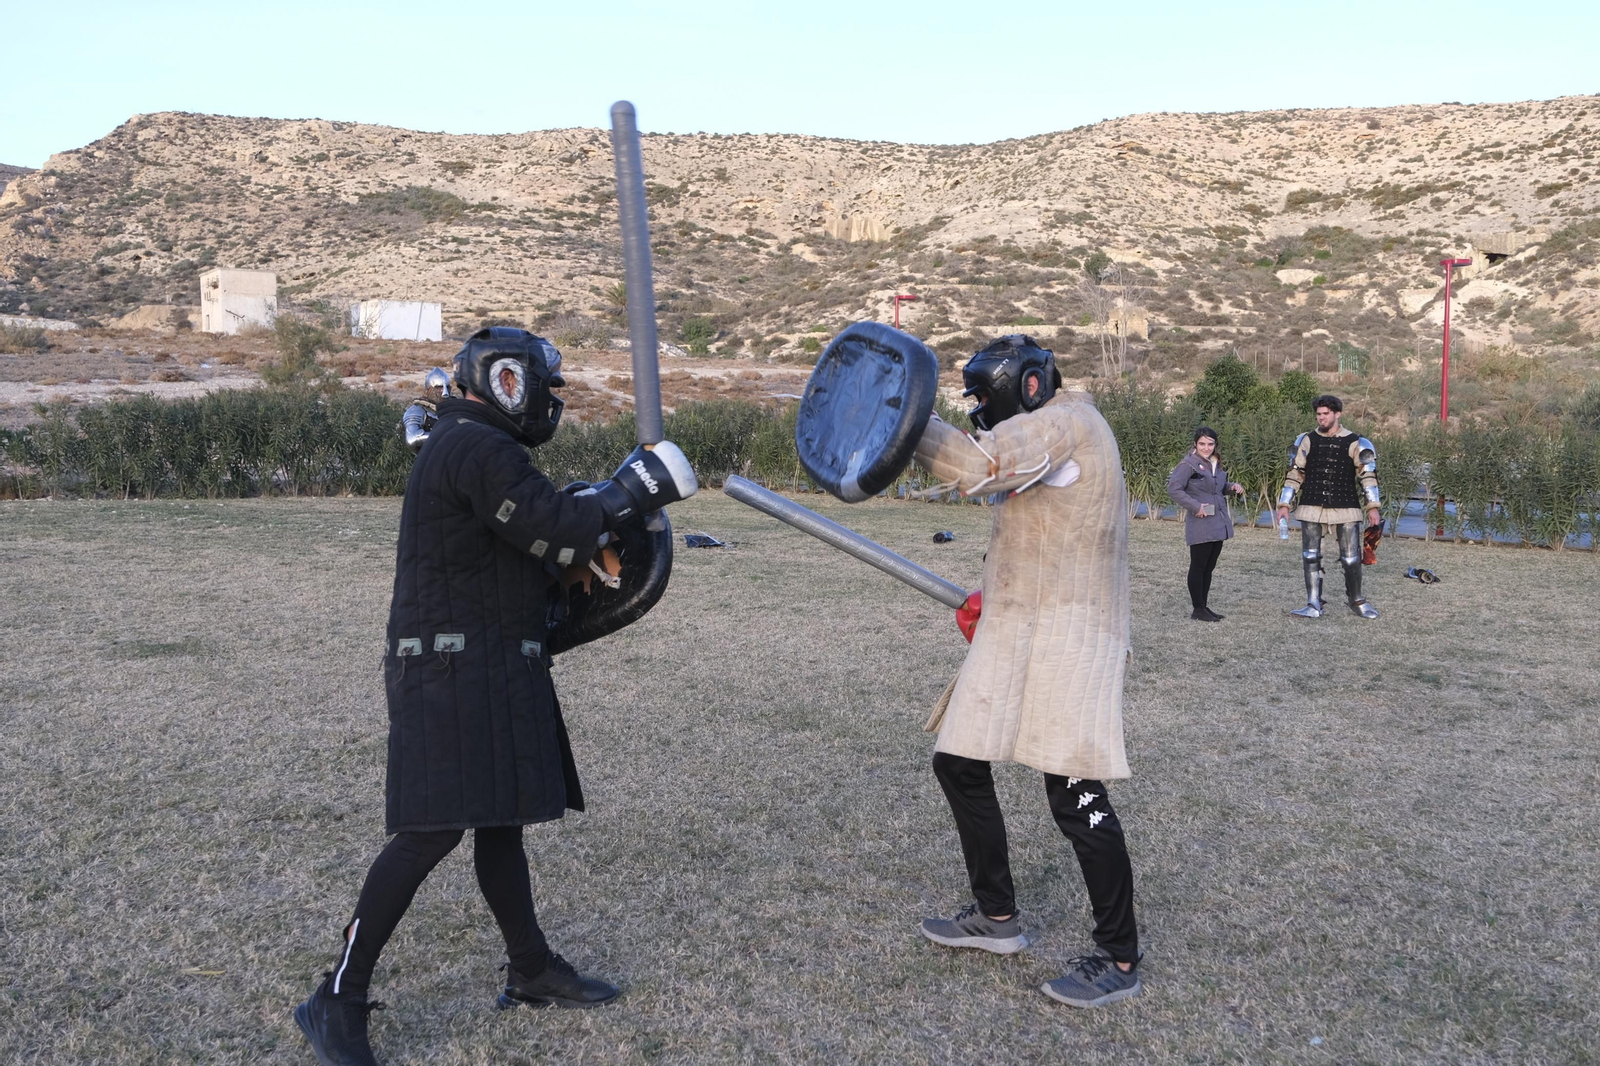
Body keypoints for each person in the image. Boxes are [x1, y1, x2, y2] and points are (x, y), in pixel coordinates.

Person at [294, 328, 698, 1066]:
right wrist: (633, 490)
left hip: (484, 662)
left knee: (501, 820)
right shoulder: (480, 449)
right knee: (429, 832)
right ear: (510, 381)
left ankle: (531, 969)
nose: (551, 401)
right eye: (545, 386)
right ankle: (336, 998)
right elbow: (558, 528)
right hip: (453, 670)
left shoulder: (469, 446)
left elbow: (528, 551)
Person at [910, 335, 1142, 1009]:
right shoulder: (1048, 428)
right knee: (957, 759)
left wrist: (908, 420)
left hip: (1073, 633)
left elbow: (976, 467)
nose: (982, 412)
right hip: (1022, 625)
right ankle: (997, 917)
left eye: (986, 398)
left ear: (1028, 387)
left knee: (1074, 792)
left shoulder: (1065, 424)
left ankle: (1120, 957)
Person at [1273, 394, 1382, 619]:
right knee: (1310, 555)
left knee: (1351, 558)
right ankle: (1313, 603)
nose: (1321, 418)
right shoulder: (1306, 439)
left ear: (1337, 414)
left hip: (1346, 506)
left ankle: (1357, 600)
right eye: (1319, 414)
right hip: (1312, 505)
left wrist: (1373, 506)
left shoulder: (1356, 441)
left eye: (1325, 414)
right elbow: (1295, 473)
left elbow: (1367, 474)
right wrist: (1285, 503)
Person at [1166, 426, 1245, 621]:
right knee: (1199, 566)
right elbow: (1174, 489)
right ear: (1195, 444)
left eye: (1210, 444)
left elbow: (1215, 488)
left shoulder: (1215, 464)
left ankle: (1204, 606)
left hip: (1217, 522)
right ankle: (1197, 608)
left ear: (1215, 445)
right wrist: (1195, 506)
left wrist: (1231, 487)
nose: (1206, 447)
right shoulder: (1188, 465)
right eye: (1202, 443)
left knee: (1209, 567)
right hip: (1201, 522)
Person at [400, 367, 451, 451]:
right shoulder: (417, 411)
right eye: (439, 388)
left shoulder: (455, 407)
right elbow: (412, 438)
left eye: (447, 387)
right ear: (430, 389)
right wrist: (446, 436)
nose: (445, 393)